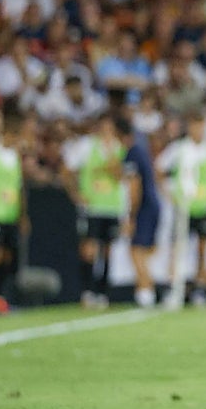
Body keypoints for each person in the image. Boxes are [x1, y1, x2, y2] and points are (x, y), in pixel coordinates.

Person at [155, 111, 206, 306]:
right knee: (177, 249)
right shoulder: (178, 148)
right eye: (194, 126)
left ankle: (199, 289)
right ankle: (173, 288)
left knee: (203, 249)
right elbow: (159, 168)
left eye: (201, 126)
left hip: (205, 208)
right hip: (183, 208)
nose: (198, 130)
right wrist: (168, 194)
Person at [61, 114, 127, 308]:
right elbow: (67, 170)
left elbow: (120, 176)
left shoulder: (119, 148)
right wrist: (75, 194)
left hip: (112, 206)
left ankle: (102, 292)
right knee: (89, 249)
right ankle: (87, 290)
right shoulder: (87, 146)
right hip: (92, 207)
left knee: (107, 251)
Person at [116, 117, 161, 307]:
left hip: (144, 207)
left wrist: (131, 216)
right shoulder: (141, 151)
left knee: (136, 251)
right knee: (141, 251)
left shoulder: (132, 153)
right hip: (152, 205)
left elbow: (135, 187)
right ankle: (145, 289)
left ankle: (146, 292)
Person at [0, 106, 28, 303]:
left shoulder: (15, 157)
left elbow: (19, 186)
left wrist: (23, 215)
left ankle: (0, 296)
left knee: (8, 256)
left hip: (11, 214)